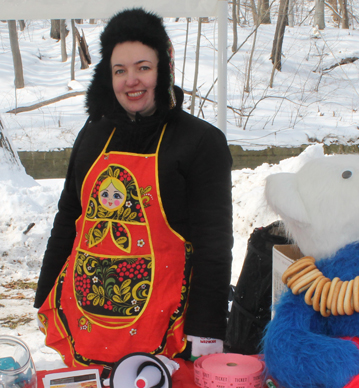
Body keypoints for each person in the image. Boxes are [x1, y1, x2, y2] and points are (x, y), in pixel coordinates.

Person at [34, 8, 233, 367]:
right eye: (119, 70)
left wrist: (207, 332)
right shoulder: (93, 134)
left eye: (143, 67)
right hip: (87, 323)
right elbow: (68, 218)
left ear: (163, 67)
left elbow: (214, 246)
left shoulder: (201, 141)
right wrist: (44, 294)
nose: (132, 81)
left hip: (169, 332)